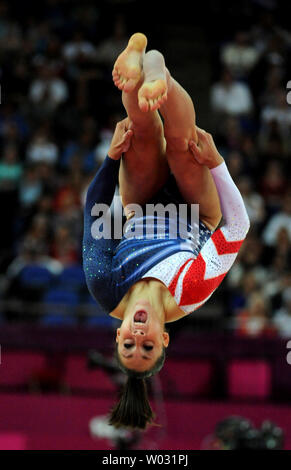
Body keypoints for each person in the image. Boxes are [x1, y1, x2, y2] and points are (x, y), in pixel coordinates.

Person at [83, 33, 250, 430]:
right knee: (181, 144)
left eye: (128, 344)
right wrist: (217, 164)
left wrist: (110, 159)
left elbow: (96, 214)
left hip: (142, 205)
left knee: (139, 135)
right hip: (196, 212)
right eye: (147, 345)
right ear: (165, 339)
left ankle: (140, 66)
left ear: (118, 334)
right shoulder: (190, 291)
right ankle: (160, 74)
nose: (138, 334)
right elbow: (238, 226)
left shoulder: (106, 286)